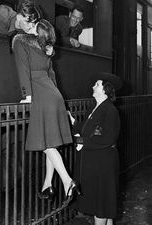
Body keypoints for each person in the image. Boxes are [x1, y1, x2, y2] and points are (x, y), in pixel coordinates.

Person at [12, 19, 80, 201]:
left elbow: (22, 70)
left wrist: (27, 96)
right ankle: (47, 184)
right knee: (50, 142)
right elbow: (52, 75)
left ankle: (67, 182)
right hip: (54, 94)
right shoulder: (46, 49)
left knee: (47, 145)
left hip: (41, 95)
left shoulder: (20, 41)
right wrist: (62, 105)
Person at [71, 72, 122, 225]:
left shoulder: (110, 110)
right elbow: (87, 129)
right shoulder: (95, 107)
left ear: (106, 89)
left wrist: (81, 142)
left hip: (103, 164)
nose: (93, 86)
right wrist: (72, 121)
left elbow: (106, 138)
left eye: (97, 84)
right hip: (96, 163)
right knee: (104, 206)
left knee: (101, 206)